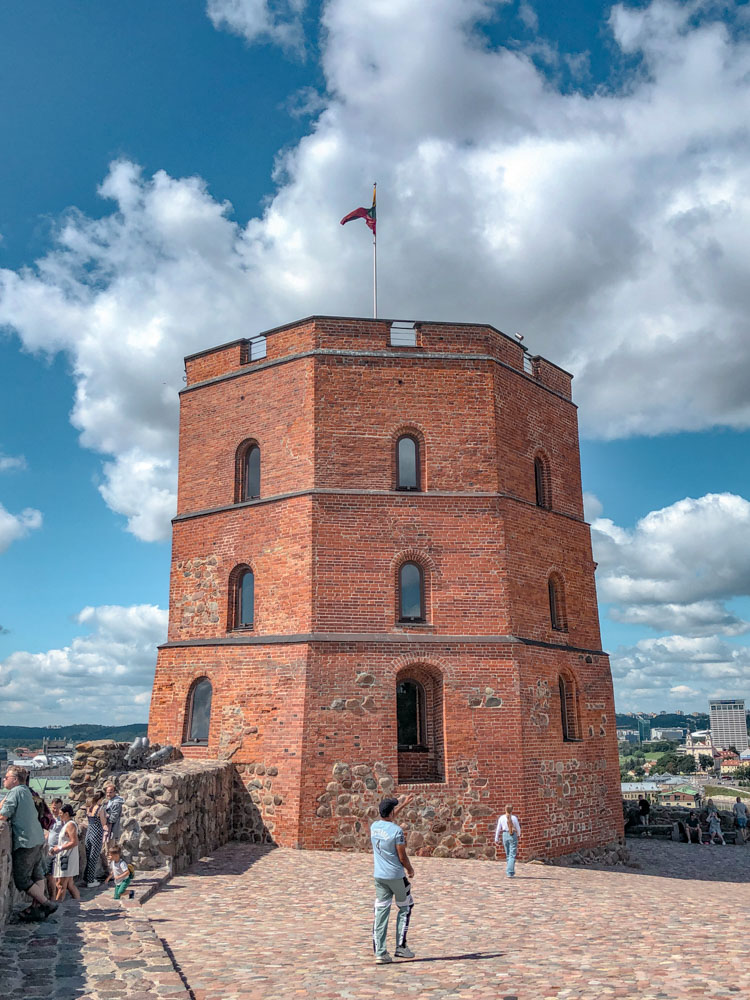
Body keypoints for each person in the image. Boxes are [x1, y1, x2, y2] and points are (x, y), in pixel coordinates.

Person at [0, 765, 58, 921]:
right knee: (37, 873)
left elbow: (3, 816)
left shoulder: (15, 792)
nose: (4, 780)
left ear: (15, 780)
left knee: (22, 879)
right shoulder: (27, 791)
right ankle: (36, 908)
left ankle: (46, 904)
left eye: (6, 777)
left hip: (25, 841)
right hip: (37, 838)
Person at [370, 795, 415, 964]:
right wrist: (410, 869)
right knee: (405, 907)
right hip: (396, 876)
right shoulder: (397, 831)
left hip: (379, 876)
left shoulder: (374, 827)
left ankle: (380, 952)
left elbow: (389, 815)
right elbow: (401, 855)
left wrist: (403, 804)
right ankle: (401, 947)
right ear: (390, 813)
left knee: (381, 912)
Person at [50, 804, 81, 901]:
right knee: (69, 884)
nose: (59, 815)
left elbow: (74, 842)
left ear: (66, 814)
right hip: (66, 857)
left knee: (61, 884)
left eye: (61, 813)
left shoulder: (70, 825)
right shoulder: (67, 824)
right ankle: (77, 901)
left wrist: (59, 848)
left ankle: (58, 905)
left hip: (67, 858)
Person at [83, 790, 107, 887]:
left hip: (89, 832)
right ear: (100, 799)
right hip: (97, 833)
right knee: (94, 857)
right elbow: (103, 822)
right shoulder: (100, 808)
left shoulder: (89, 808)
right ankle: (91, 880)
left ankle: (87, 877)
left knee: (89, 856)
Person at [494, 804, 521, 876]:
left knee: (508, 854)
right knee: (512, 854)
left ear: (505, 809)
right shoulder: (514, 818)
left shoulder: (501, 818)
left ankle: (509, 870)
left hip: (504, 835)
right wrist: (519, 835)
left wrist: (496, 838)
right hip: (512, 835)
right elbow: (518, 828)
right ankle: (510, 871)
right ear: (512, 810)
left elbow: (498, 829)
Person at [45, 798, 64, 896]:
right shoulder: (51, 818)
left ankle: (56, 897)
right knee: (49, 874)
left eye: (56, 808)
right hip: (50, 849)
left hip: (59, 850)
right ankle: (52, 896)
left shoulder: (63, 820)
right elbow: (49, 832)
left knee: (57, 876)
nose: (54, 810)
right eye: (53, 808)